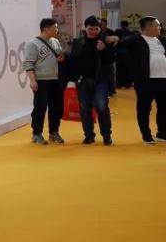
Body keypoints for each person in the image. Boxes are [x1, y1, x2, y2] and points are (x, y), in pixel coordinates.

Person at [68, 16, 120, 145]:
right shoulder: (78, 41)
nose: (93, 31)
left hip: (100, 80)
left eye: (96, 29)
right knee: (85, 107)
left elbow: (111, 60)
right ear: (85, 28)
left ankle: (106, 135)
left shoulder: (105, 40)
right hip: (82, 80)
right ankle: (89, 135)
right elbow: (73, 60)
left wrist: (104, 50)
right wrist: (72, 78)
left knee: (101, 106)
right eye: (90, 29)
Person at [119, 16, 166, 144]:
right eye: (157, 25)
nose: (160, 27)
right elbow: (119, 48)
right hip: (145, 80)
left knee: (163, 108)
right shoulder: (135, 41)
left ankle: (162, 133)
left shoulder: (162, 41)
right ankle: (146, 134)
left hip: (163, 79)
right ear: (149, 26)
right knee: (144, 108)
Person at [22, 18, 67, 145]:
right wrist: (32, 80)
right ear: (46, 28)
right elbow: (28, 64)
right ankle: (36, 133)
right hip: (42, 81)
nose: (57, 29)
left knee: (56, 108)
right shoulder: (33, 44)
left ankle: (54, 132)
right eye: (55, 27)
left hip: (56, 80)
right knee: (40, 107)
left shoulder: (55, 42)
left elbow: (61, 56)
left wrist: (62, 58)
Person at [115, 20, 138, 89]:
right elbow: (134, 44)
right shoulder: (131, 33)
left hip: (119, 53)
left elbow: (115, 43)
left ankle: (118, 84)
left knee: (119, 69)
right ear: (128, 25)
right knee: (127, 69)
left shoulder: (117, 32)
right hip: (128, 54)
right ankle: (127, 84)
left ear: (121, 25)